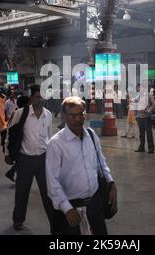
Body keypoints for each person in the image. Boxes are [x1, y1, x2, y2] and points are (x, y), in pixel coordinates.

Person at [46, 96, 117, 235]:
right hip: (72, 207)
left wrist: (111, 183)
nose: (78, 119)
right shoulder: (56, 144)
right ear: (64, 116)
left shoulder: (91, 135)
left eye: (81, 114)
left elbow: (101, 162)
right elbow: (52, 182)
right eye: (73, 115)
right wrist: (66, 208)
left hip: (94, 204)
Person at [5, 85, 54, 232]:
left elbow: (50, 137)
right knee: (22, 191)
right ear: (32, 98)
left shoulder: (48, 115)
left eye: (42, 96)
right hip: (25, 159)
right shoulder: (21, 113)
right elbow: (10, 133)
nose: (41, 99)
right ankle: (18, 220)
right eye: (38, 96)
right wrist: (8, 153)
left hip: (43, 159)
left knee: (48, 192)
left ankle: (55, 221)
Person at [4, 95, 30, 183]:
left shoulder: (25, 114)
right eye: (29, 103)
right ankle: (14, 175)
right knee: (22, 162)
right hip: (17, 143)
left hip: (21, 142)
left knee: (21, 162)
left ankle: (11, 173)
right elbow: (9, 130)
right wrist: (7, 152)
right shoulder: (18, 113)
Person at [133, 84, 155, 153]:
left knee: (149, 133)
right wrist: (135, 115)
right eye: (137, 88)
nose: (138, 90)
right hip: (140, 117)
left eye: (139, 88)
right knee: (141, 133)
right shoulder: (138, 96)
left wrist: (148, 111)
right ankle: (141, 147)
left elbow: (153, 104)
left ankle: (151, 148)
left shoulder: (148, 95)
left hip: (147, 117)